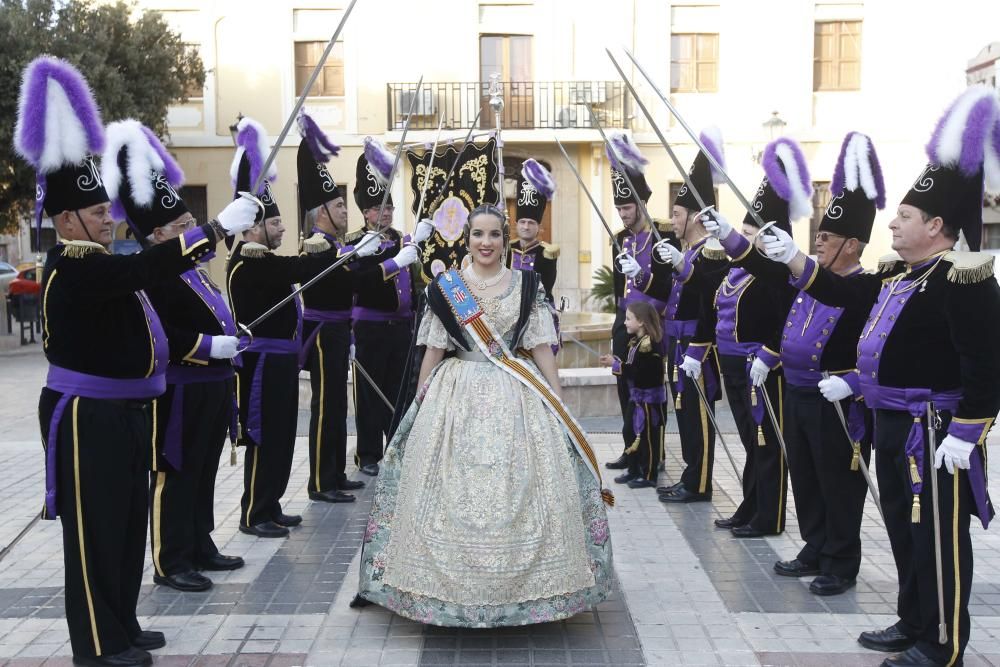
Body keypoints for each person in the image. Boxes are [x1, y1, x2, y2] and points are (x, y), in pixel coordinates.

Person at [17, 57, 256, 667]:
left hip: (126, 412)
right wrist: (211, 231)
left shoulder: (98, 258)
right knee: (95, 537)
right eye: (98, 214)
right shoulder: (73, 264)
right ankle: (96, 647)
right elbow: (139, 268)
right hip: (88, 416)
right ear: (68, 218)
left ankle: (121, 626)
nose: (109, 218)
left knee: (124, 531)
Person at [761, 87, 1000, 667]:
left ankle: (943, 643)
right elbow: (843, 293)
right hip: (890, 423)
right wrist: (794, 258)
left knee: (938, 538)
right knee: (902, 530)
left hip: (934, 429)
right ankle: (914, 619)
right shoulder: (899, 276)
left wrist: (968, 431)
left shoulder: (962, 277)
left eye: (906, 216)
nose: (892, 223)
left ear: (937, 224)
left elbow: (987, 361)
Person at [355, 204, 613, 626]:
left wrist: (558, 401)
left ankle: (531, 591)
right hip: (456, 391)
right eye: (478, 235)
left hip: (518, 394)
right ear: (468, 238)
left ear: (505, 239)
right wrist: (421, 402)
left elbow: (542, 346)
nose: (486, 243)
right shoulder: (448, 287)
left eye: (494, 235)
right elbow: (435, 349)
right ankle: (439, 589)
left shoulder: (527, 284)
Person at [705, 131, 883, 594]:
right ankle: (814, 545)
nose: (818, 242)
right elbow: (769, 273)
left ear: (852, 244)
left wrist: (852, 381)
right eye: (818, 235)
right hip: (799, 391)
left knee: (838, 484)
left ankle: (840, 561)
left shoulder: (865, 286)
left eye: (827, 237)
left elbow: (833, 296)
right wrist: (727, 234)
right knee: (804, 474)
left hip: (837, 400)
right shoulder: (808, 277)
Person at [102, 120, 245, 594]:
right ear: (159, 235)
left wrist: (233, 332)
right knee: (175, 473)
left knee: (203, 470)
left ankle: (199, 543)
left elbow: (213, 313)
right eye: (184, 227)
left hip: (213, 385)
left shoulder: (195, 271)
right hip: (181, 387)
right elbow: (163, 332)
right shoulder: (156, 275)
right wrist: (208, 347)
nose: (192, 233)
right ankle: (169, 558)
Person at [226, 118, 382, 538]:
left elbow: (297, 269)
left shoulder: (267, 260)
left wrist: (355, 251)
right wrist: (360, 256)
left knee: (280, 437)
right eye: (273, 224)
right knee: (264, 437)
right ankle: (255, 512)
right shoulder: (248, 262)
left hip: (279, 361)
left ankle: (271, 505)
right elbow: (300, 269)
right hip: (260, 362)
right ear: (253, 227)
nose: (281, 229)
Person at [687, 137, 808, 536]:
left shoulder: (777, 273)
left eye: (751, 232)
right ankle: (751, 504)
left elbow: (785, 316)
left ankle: (769, 515)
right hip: (734, 365)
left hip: (762, 368)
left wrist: (770, 354)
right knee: (749, 440)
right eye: (744, 230)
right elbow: (711, 303)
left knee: (766, 442)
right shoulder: (736, 270)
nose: (744, 238)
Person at [655, 130, 730, 504]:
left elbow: (708, 301)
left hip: (698, 347)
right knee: (683, 413)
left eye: (677, 213)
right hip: (677, 343)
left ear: (697, 216)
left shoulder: (712, 252)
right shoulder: (686, 251)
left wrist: (685, 268)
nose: (672, 221)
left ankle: (699, 482)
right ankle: (690, 474)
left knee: (698, 417)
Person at [295, 111, 366, 503]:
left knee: (338, 405)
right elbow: (347, 283)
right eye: (339, 206)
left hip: (340, 330)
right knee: (325, 407)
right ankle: (321, 481)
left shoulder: (336, 247)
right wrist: (385, 265)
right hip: (324, 332)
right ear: (322, 212)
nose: (345, 212)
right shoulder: (318, 246)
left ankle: (335, 473)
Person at [345, 139, 425, 477]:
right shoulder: (355, 244)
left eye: (390, 207)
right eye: (380, 208)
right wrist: (394, 260)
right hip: (370, 329)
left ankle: (396, 448)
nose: (387, 213)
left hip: (401, 329)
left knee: (398, 391)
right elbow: (361, 281)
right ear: (366, 212)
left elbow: (416, 283)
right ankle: (368, 455)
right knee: (369, 394)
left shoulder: (402, 240)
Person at [602, 133, 676, 473]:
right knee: (624, 389)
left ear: (642, 204)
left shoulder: (663, 234)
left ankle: (653, 453)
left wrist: (643, 276)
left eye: (627, 207)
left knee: (649, 393)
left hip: (652, 325)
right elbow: (621, 289)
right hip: (625, 322)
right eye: (618, 208)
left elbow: (664, 285)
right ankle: (631, 449)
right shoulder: (619, 240)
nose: (622, 214)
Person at [600, 301, 666, 489]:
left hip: (648, 400)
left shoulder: (650, 345)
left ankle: (648, 474)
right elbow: (633, 367)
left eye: (629, 319)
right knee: (629, 431)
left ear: (642, 322)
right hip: (637, 397)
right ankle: (634, 468)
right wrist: (616, 362)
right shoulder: (636, 341)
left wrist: (617, 365)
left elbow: (641, 372)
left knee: (647, 437)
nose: (625, 322)